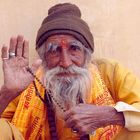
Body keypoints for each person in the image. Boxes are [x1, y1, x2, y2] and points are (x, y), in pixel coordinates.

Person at [0, 3, 140, 140]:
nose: (65, 63)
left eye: (74, 48)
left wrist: (109, 115)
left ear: (87, 54)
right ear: (44, 57)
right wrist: (7, 93)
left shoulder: (110, 72)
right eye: (54, 50)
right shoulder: (28, 82)